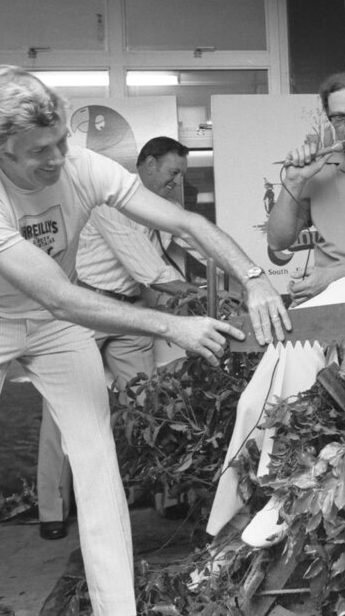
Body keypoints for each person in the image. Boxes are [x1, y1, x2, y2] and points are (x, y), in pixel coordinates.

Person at [0, 65, 290, 616]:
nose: (56, 158)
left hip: (53, 326)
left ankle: (117, 608)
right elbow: (59, 296)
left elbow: (185, 223)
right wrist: (172, 325)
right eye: (39, 151)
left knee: (96, 458)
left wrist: (254, 278)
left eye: (60, 141)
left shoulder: (81, 166)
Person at [195, 71, 345, 577]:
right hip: (327, 302)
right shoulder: (319, 165)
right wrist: (293, 185)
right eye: (339, 116)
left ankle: (280, 489)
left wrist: (330, 275)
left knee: (318, 310)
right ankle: (225, 527)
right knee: (252, 399)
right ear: (329, 117)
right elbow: (277, 244)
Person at [35, 136, 201, 541]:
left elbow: (196, 240)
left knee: (152, 404)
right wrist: (199, 295)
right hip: (87, 309)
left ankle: (168, 494)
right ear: (146, 163)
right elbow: (150, 269)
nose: (176, 182)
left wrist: (232, 276)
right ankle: (52, 509)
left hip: (130, 314)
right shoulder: (111, 199)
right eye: (172, 172)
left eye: (182, 175)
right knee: (63, 410)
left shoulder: (166, 207)